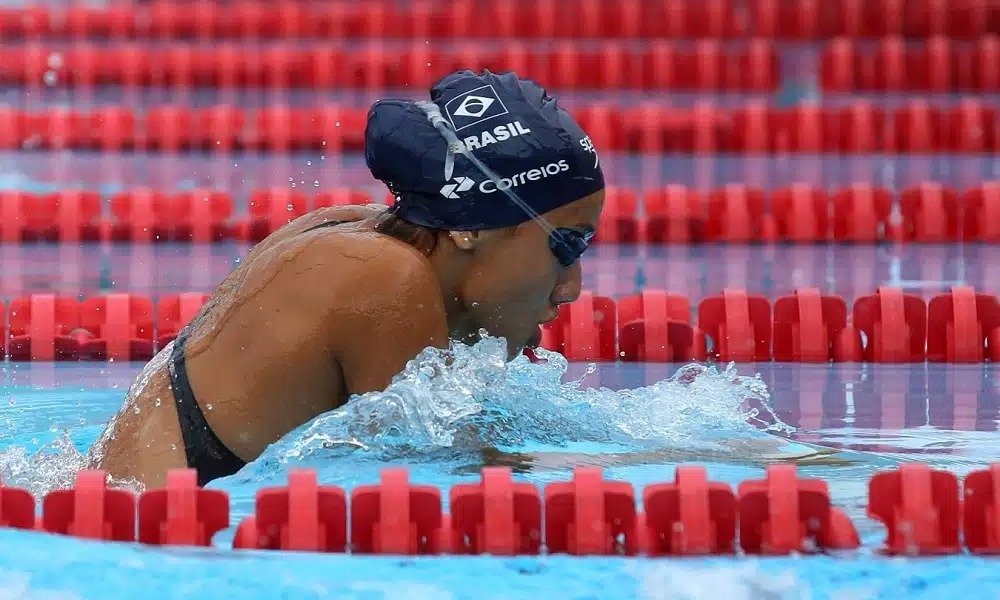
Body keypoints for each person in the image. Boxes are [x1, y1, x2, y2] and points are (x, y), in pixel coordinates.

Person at [89, 69, 606, 488]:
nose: (573, 287)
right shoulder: (383, 277)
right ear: (471, 227)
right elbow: (453, 481)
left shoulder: (352, 231)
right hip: (154, 551)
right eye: (567, 245)